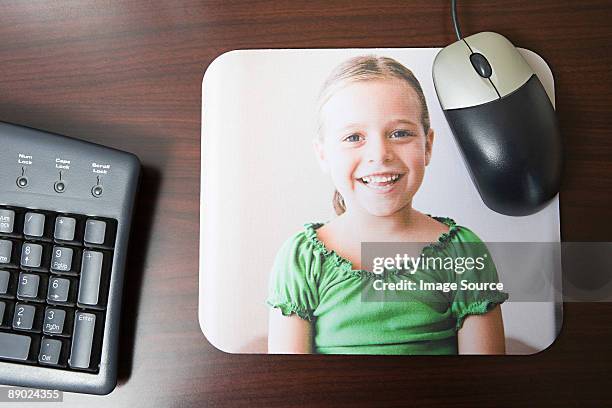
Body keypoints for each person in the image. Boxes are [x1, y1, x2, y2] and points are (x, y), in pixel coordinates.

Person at [267, 55, 508, 355]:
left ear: (428, 146)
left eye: (399, 133)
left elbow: (486, 387)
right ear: (323, 154)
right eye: (354, 137)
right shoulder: (300, 259)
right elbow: (289, 386)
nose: (380, 154)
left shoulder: (464, 253)